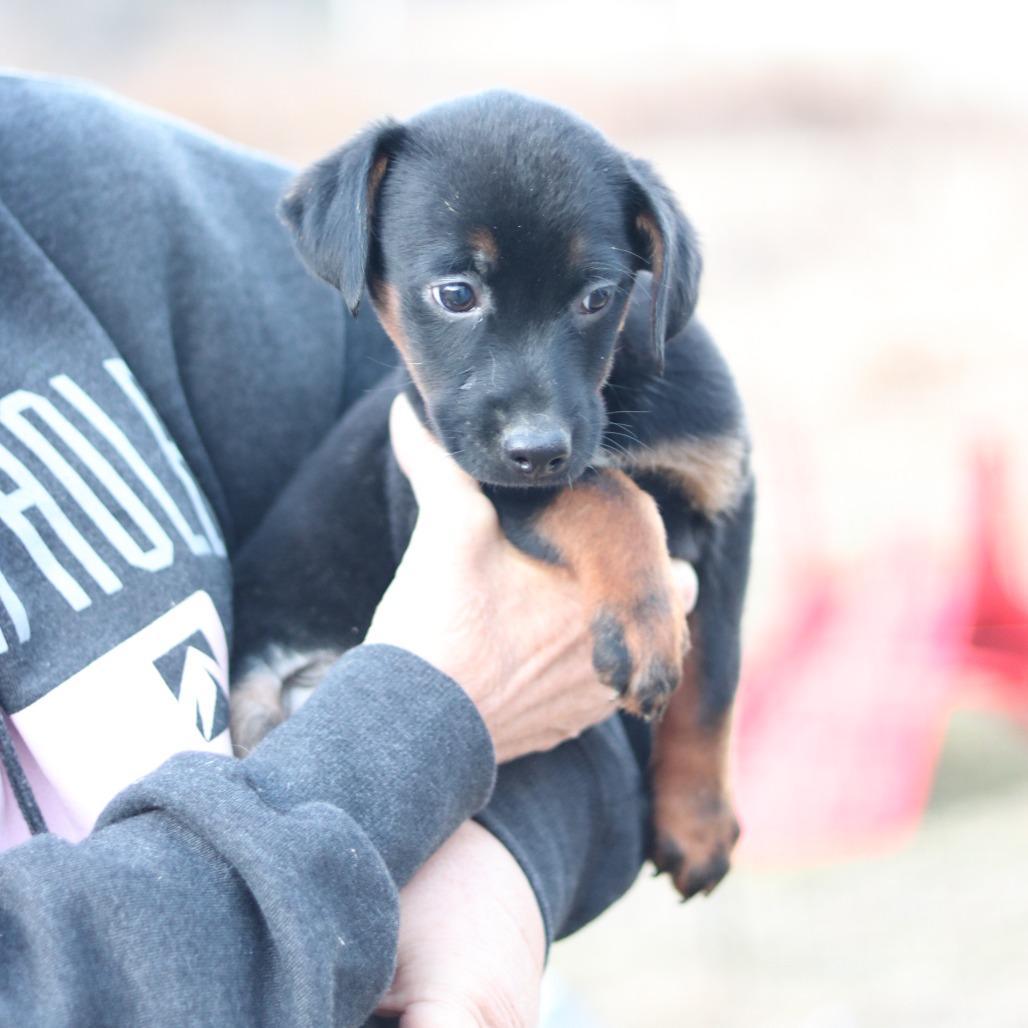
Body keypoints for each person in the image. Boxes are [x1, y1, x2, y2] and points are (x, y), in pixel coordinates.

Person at [0, 73, 696, 1026]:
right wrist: (427, 723)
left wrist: (505, 863)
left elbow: (600, 627)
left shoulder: (66, 181)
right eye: (458, 295)